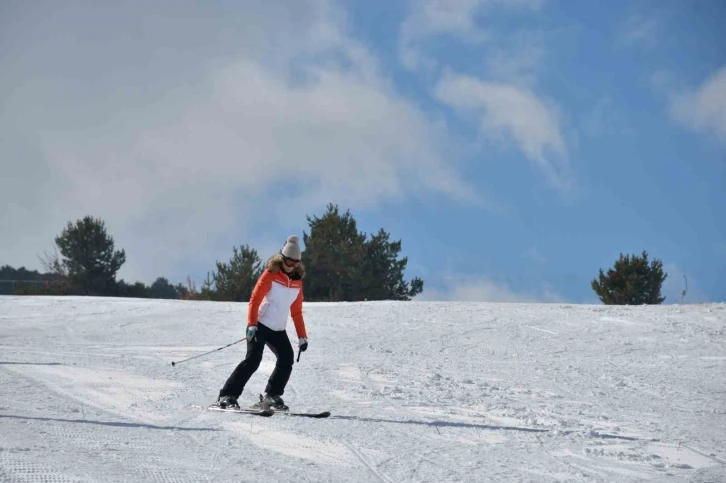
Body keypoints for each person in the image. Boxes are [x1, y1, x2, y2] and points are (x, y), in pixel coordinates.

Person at [214, 235, 308, 411]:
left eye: (295, 262)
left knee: (286, 359)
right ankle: (227, 395)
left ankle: (272, 396)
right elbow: (255, 299)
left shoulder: (297, 283)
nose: (291, 265)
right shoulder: (271, 274)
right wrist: (251, 324)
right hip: (260, 324)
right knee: (253, 360)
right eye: (288, 260)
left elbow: (296, 312)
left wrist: (302, 336)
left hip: (278, 328)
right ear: (282, 258)